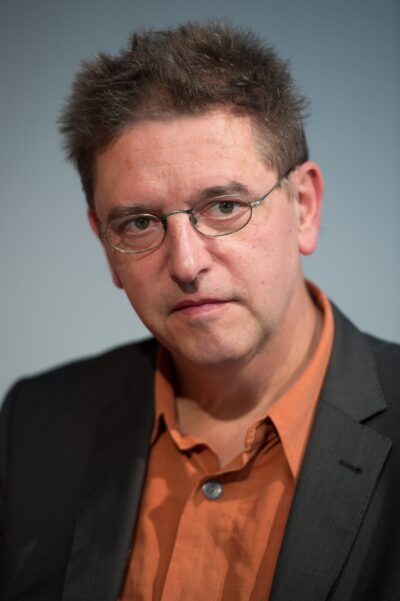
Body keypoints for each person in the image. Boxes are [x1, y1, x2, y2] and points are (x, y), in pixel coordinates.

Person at [0, 20, 399, 601]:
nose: (186, 264)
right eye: (140, 222)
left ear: (304, 207)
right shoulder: (36, 424)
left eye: (225, 206)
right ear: (105, 245)